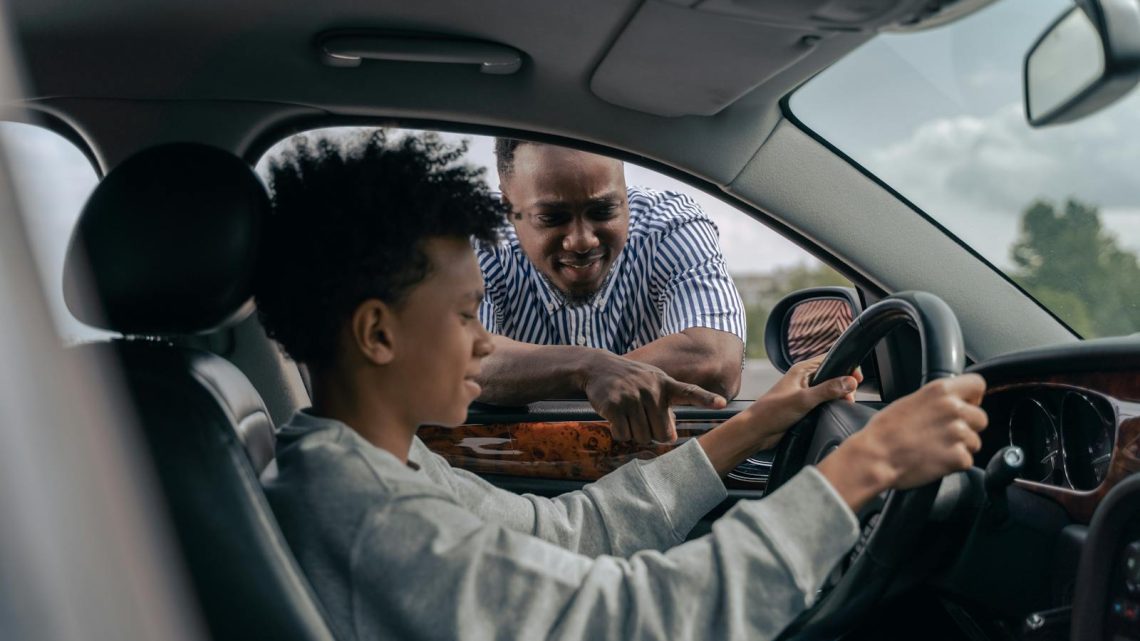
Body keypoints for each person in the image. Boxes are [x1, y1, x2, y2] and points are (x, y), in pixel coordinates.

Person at [255, 131, 989, 641]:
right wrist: (868, 464)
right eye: (466, 315)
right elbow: (629, 619)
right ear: (378, 334)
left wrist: (757, 423)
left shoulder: (380, 466)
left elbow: (572, 533)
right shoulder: (371, 514)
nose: (487, 341)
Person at [476, 139, 746, 443]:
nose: (581, 242)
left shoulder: (670, 225)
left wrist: (586, 377)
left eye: (603, 210)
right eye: (551, 218)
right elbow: (462, 358)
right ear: (507, 206)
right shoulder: (474, 233)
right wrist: (587, 370)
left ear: (625, 194)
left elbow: (714, 360)